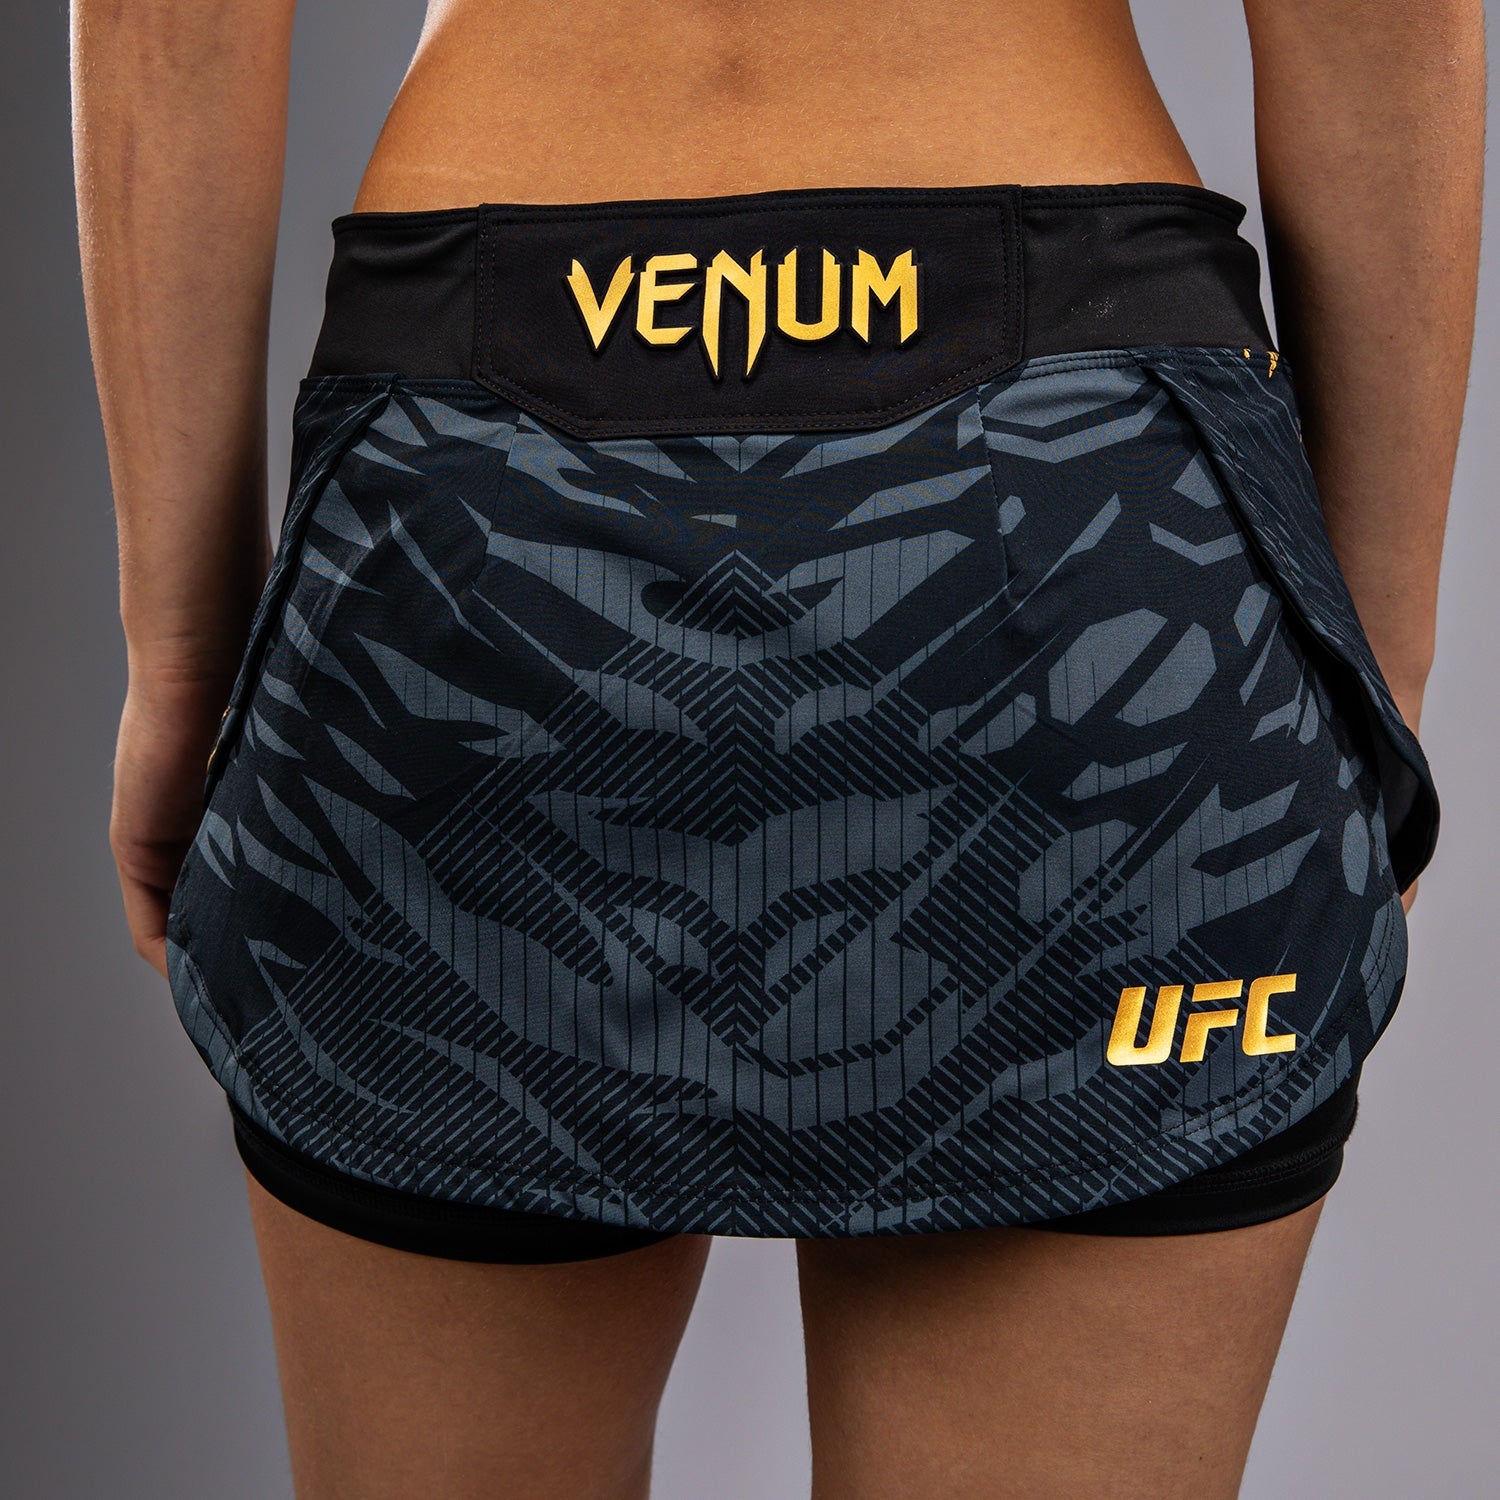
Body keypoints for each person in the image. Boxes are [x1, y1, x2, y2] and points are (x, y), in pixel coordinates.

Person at [71, 1, 1482, 1495]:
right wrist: (1370, 675)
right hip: (1068, 507)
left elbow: (173, 21)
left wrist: (184, 663)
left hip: (468, 527)